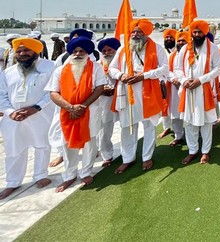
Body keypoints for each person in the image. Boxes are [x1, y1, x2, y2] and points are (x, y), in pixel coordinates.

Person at [109, 18, 168, 173]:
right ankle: (128, 158)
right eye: (133, 31)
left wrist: (145, 75)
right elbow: (111, 68)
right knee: (127, 126)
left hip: (147, 91)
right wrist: (121, 75)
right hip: (127, 91)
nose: (135, 34)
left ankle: (147, 156)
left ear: (146, 34)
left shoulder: (157, 49)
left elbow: (164, 69)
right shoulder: (123, 49)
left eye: (139, 32)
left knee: (148, 125)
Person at [48, 37, 106, 192]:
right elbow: (53, 93)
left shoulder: (96, 68)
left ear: (87, 52)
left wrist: (82, 106)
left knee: (89, 143)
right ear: (71, 53)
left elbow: (100, 88)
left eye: (81, 51)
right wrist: (70, 108)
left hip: (90, 111)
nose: (78, 53)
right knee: (67, 144)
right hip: (67, 113)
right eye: (75, 51)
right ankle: (69, 175)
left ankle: (86, 172)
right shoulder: (60, 70)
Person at [0, 38, 55, 199]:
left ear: (36, 51)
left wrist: (35, 108)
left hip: (41, 114)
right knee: (13, 150)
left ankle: (40, 175)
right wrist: (10, 111)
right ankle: (13, 182)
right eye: (19, 51)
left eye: (26, 50)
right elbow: (1, 95)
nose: (22, 54)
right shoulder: (8, 72)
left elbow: (54, 91)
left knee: (42, 145)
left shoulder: (50, 67)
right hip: (13, 118)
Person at [175, 20, 220, 165]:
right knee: (189, 122)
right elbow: (177, 68)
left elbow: (217, 69)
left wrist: (200, 80)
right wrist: (184, 81)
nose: (196, 35)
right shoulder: (184, 49)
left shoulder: (213, 48)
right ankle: (192, 151)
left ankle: (205, 151)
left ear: (205, 32)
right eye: (194, 32)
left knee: (206, 122)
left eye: (199, 32)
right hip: (188, 90)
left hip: (204, 89)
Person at [96, 37, 120, 167]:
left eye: (110, 50)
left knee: (127, 126)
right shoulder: (97, 66)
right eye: (104, 50)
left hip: (123, 98)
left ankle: (129, 152)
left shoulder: (123, 64)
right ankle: (107, 155)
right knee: (105, 128)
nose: (106, 53)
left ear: (116, 50)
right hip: (105, 100)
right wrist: (101, 89)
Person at [157, 29, 178, 140]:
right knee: (164, 106)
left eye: (171, 37)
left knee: (174, 106)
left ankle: (177, 130)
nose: (168, 39)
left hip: (175, 82)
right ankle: (166, 127)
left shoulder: (178, 50)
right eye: (167, 37)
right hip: (162, 82)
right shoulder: (161, 51)